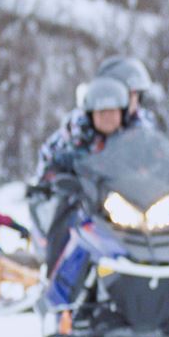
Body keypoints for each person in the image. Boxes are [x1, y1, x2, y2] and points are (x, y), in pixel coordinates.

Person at [35, 76, 132, 276]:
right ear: (91, 114)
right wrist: (61, 174)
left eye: (112, 112)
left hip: (122, 197)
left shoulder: (131, 136)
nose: (108, 117)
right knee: (65, 216)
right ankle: (54, 275)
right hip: (82, 197)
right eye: (102, 112)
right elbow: (51, 161)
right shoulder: (77, 133)